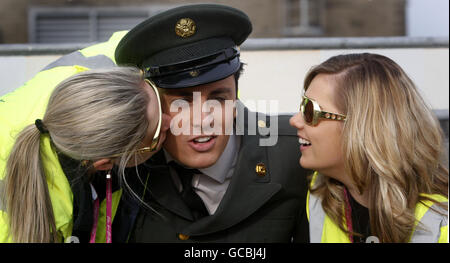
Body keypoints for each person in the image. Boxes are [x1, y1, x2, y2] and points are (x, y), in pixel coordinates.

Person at [112, 4, 310, 242]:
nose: (203, 119)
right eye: (182, 102)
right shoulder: (126, 162)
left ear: (236, 96)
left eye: (218, 99)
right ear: (154, 102)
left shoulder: (298, 151)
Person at [289, 53, 448, 243]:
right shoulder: (317, 194)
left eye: (309, 111)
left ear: (361, 127)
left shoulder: (441, 225)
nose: (294, 120)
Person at [0, 67, 170, 242]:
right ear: (104, 164)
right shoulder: (47, 222)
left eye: (158, 97)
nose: (171, 122)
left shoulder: (83, 95)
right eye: (157, 134)